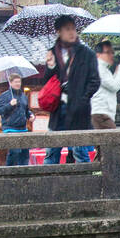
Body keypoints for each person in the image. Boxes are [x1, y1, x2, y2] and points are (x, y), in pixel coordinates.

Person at [43, 15, 100, 165]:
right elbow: (47, 82)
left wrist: (82, 98)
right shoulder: (52, 53)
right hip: (58, 106)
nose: (72, 32)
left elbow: (94, 81)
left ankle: (87, 181)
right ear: (58, 31)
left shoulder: (87, 54)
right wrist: (50, 66)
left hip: (78, 108)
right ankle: (47, 183)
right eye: (67, 29)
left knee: (79, 150)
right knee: (51, 151)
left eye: (73, 29)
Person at [0, 71, 34, 166]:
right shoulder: (4, 96)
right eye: (16, 82)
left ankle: (23, 173)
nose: (18, 84)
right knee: (15, 151)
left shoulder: (23, 96)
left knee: (25, 153)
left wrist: (30, 115)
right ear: (10, 83)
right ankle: (10, 171)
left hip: (23, 128)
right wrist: (9, 105)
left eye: (19, 82)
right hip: (10, 127)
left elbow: (26, 110)